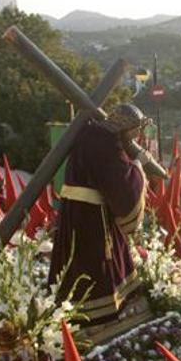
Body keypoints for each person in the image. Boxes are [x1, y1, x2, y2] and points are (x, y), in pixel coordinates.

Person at [49, 103, 151, 335]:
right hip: (92, 219)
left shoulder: (89, 131)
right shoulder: (108, 144)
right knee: (98, 270)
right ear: (126, 127)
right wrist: (138, 165)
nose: (136, 137)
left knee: (74, 265)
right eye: (135, 131)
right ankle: (102, 325)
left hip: (75, 212)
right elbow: (123, 190)